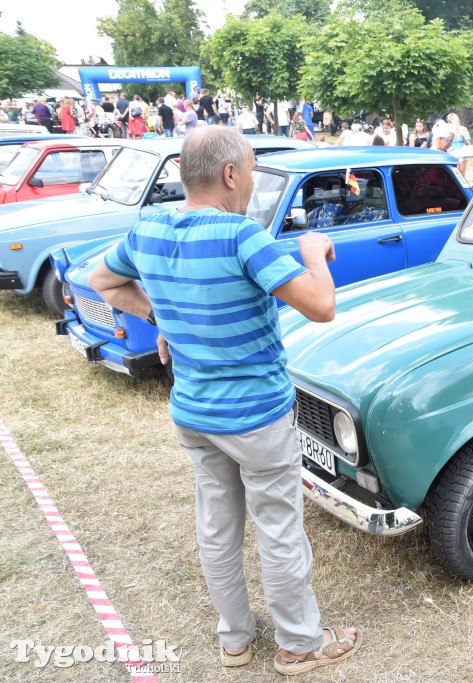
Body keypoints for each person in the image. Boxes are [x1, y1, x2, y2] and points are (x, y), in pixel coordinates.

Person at [87, 126, 363, 676]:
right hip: (257, 418)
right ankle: (300, 644)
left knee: (216, 525)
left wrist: (160, 317)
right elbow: (321, 306)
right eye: (253, 169)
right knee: (279, 528)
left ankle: (234, 640)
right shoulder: (242, 236)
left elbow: (103, 280)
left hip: (194, 412)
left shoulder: (148, 229)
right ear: (231, 174)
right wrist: (314, 251)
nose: (253, 179)